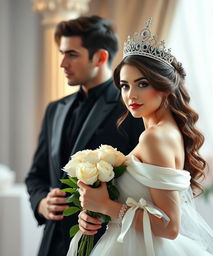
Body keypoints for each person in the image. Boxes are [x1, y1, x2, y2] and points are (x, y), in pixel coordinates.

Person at [76, 18, 213, 255]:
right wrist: (97, 212)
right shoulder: (165, 132)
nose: (131, 95)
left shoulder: (155, 138)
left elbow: (170, 227)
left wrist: (106, 206)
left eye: (142, 84)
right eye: (125, 86)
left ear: (165, 86)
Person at [25, 15, 144, 256]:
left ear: (100, 57)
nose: (62, 64)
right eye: (62, 54)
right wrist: (42, 202)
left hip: (105, 242)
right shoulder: (54, 109)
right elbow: (36, 175)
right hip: (52, 244)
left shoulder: (132, 110)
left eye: (72, 54)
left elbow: (143, 185)